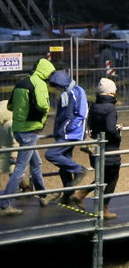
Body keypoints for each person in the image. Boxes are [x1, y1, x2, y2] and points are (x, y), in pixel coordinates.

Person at [0, 57, 53, 216]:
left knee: (36, 163)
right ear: (46, 72)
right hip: (30, 130)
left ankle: (43, 195)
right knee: (20, 170)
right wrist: (43, 111)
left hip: (18, 129)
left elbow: (10, 106)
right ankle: (5, 204)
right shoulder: (40, 84)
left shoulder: (22, 82)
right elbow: (43, 105)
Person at [69, 77, 121, 220]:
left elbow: (91, 125)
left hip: (96, 147)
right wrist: (118, 131)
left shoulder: (94, 106)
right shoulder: (110, 108)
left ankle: (81, 195)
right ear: (112, 92)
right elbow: (110, 128)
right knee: (113, 177)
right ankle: (103, 209)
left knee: (101, 176)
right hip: (109, 148)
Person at [45, 69, 89, 204]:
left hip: (70, 133)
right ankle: (68, 194)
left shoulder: (75, 92)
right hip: (66, 132)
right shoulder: (68, 93)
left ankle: (79, 170)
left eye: (56, 85)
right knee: (64, 164)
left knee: (51, 154)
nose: (56, 88)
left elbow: (81, 114)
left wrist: (66, 129)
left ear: (61, 83)